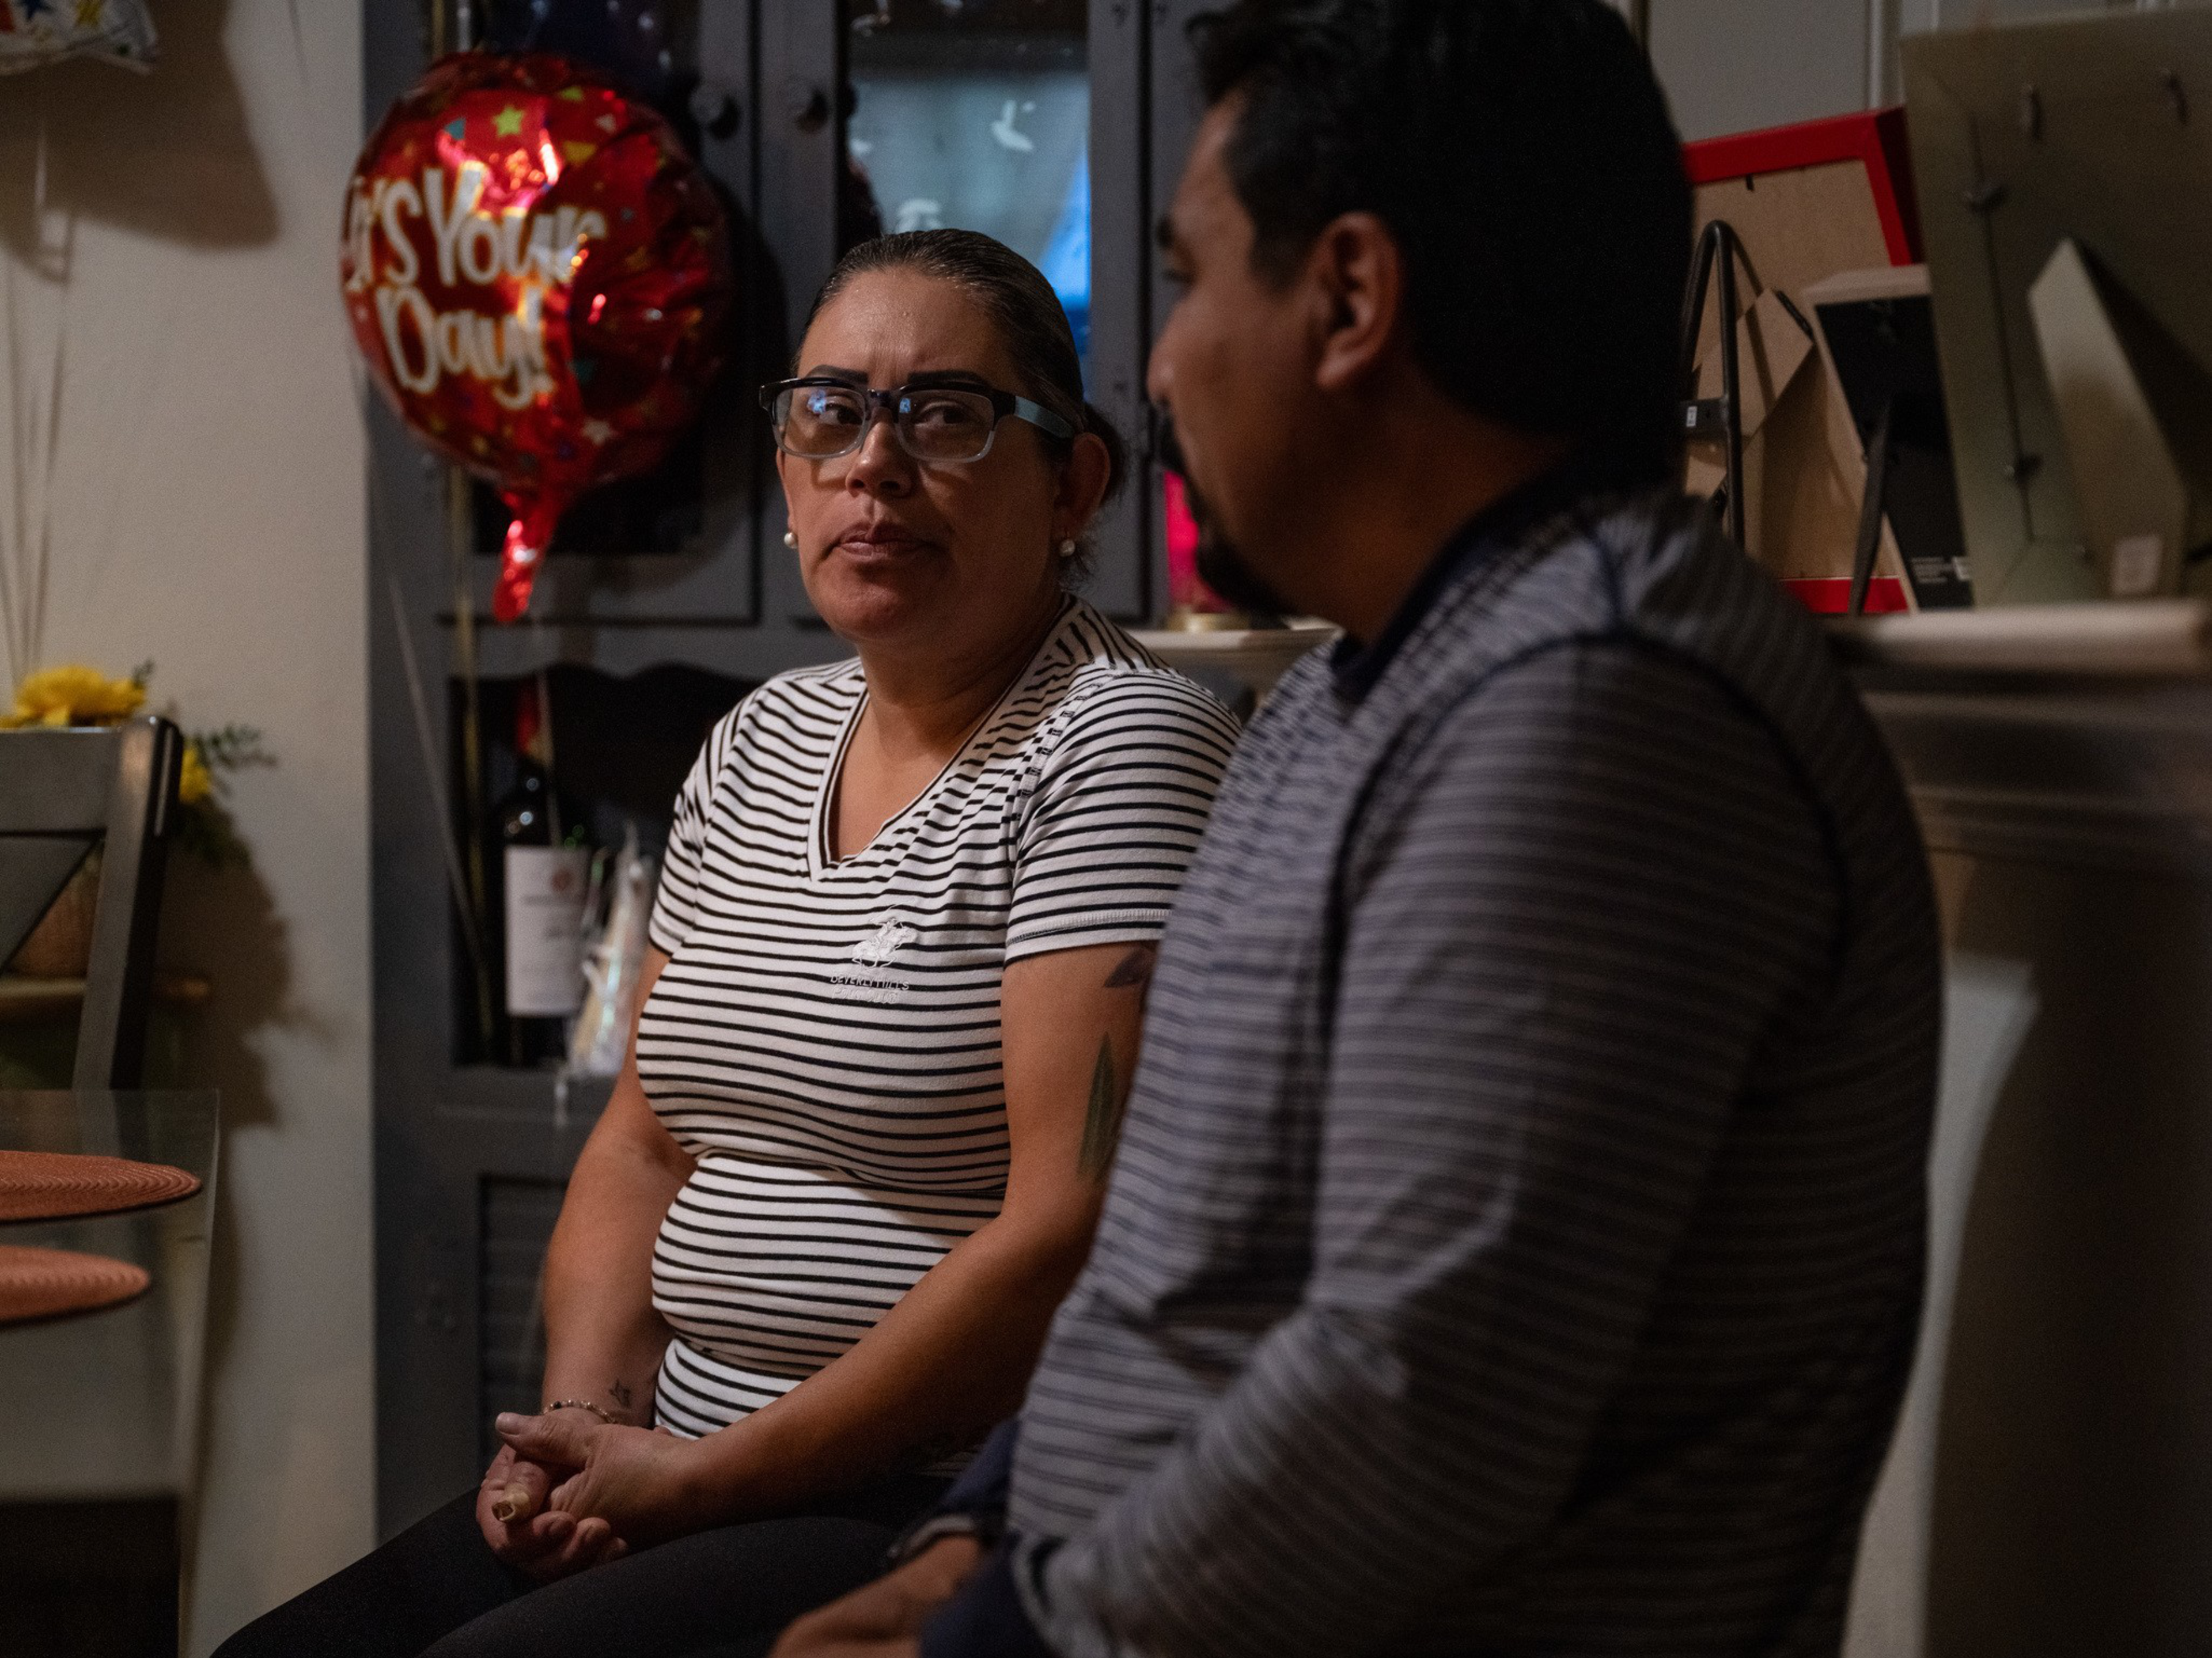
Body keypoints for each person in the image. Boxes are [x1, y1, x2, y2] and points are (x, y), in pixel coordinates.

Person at [773, 3, 1942, 1657]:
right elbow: (1185, 1269)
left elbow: (1421, 1395)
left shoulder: (1597, 708)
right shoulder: (1353, 692)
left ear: (1349, 298)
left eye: (1188, 280)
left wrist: (996, 1635)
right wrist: (972, 1542)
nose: (1162, 366)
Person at [214, 230, 1241, 1658]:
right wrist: (580, 1430)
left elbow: (1066, 1230)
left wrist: (701, 1480)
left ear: (1072, 483)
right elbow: (644, 1139)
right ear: (786, 469)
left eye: (946, 415)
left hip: (922, 1506)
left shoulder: (1120, 743)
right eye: (830, 412)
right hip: (675, 1466)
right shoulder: (761, 742)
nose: (873, 465)